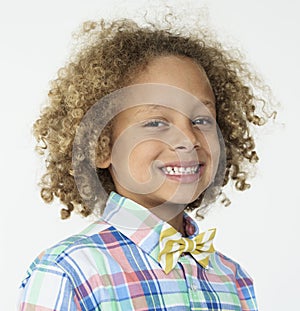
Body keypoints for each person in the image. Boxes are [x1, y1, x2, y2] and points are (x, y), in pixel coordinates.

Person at [18, 17, 275, 310]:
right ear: (102, 145)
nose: (188, 139)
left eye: (201, 120)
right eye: (156, 122)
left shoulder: (233, 279)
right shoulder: (70, 272)